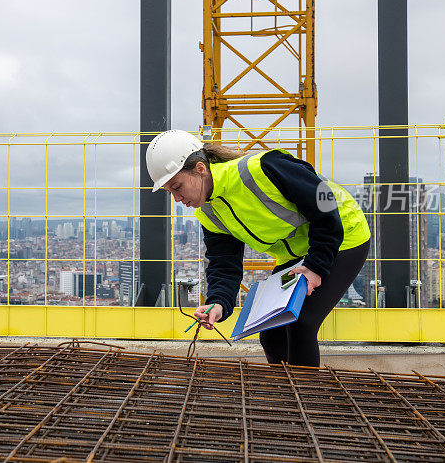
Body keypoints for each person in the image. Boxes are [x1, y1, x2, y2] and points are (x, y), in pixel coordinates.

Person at [146, 130, 370, 367]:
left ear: (200, 169)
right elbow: (224, 264)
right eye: (170, 192)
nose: (177, 199)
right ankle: (285, 394)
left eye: (177, 187)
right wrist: (218, 302)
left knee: (301, 322)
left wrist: (315, 265)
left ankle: (305, 398)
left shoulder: (261, 168)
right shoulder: (208, 212)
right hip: (295, 255)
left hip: (342, 237)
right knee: (271, 330)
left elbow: (323, 196)